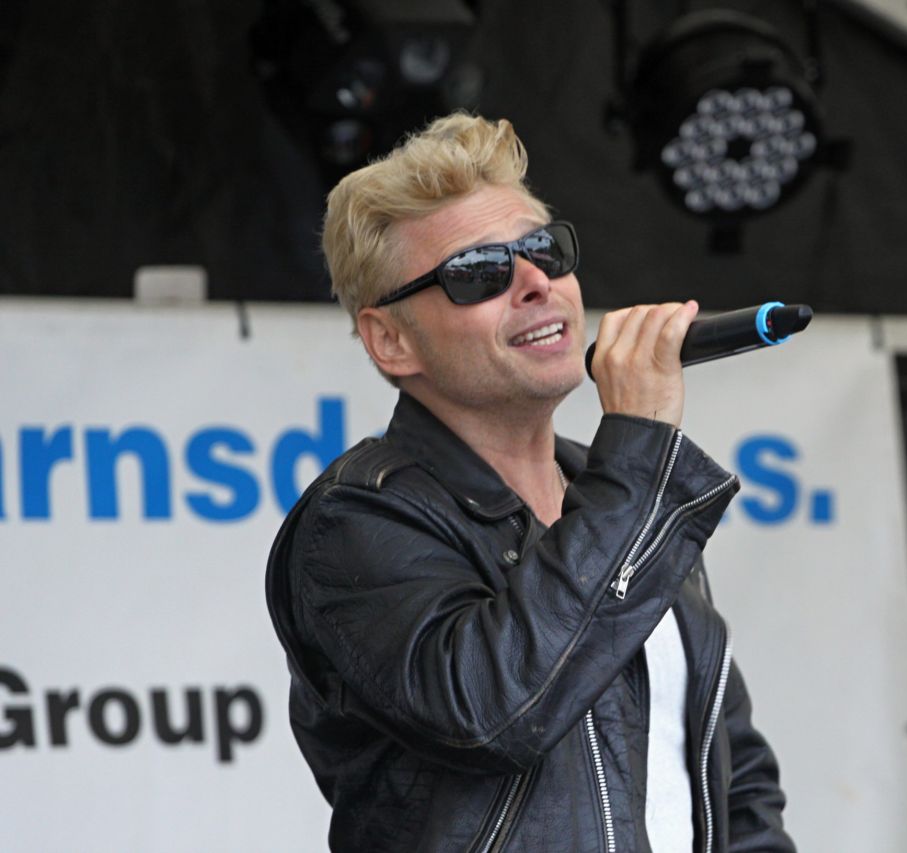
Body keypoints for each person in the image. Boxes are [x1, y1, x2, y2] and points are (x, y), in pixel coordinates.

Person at [265, 112, 794, 852]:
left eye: (544, 251)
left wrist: (634, 475)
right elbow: (494, 712)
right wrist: (640, 452)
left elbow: (729, 775)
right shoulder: (355, 519)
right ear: (391, 340)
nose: (535, 283)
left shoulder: (620, 495)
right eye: (478, 272)